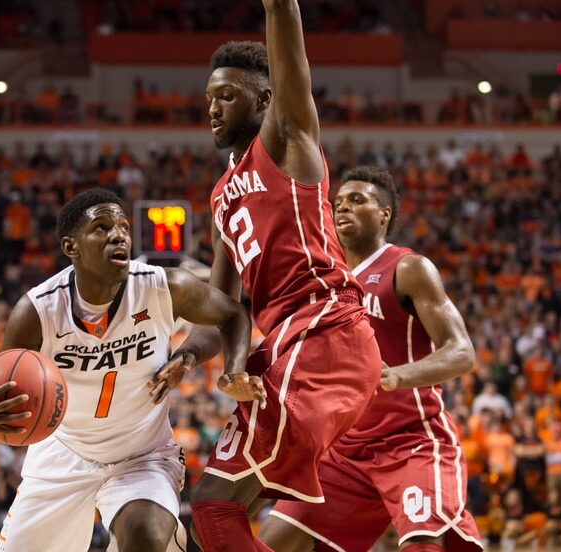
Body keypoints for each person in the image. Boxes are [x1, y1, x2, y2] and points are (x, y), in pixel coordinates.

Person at [150, 1, 382, 549]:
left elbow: (285, 36)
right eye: (208, 97)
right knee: (214, 513)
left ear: (265, 99)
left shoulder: (285, 140)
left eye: (226, 95)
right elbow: (222, 310)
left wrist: (279, 7)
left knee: (215, 501)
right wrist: (187, 356)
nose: (211, 107)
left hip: (325, 333)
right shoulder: (220, 197)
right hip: (287, 349)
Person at [0, 188, 261, 552]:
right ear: (72, 247)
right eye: (101, 227)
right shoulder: (37, 312)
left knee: (146, 535)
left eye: (123, 227)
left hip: (142, 455)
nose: (118, 235)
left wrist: (191, 356)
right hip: (64, 454)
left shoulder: (163, 286)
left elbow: (232, 315)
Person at [259, 166, 482, 551]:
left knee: (424, 543)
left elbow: (462, 352)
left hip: (409, 438)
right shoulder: (323, 278)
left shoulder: (409, 268)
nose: (341, 208)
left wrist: (394, 376)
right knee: (270, 542)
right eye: (338, 203)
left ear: (384, 214)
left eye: (356, 200)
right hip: (345, 449)